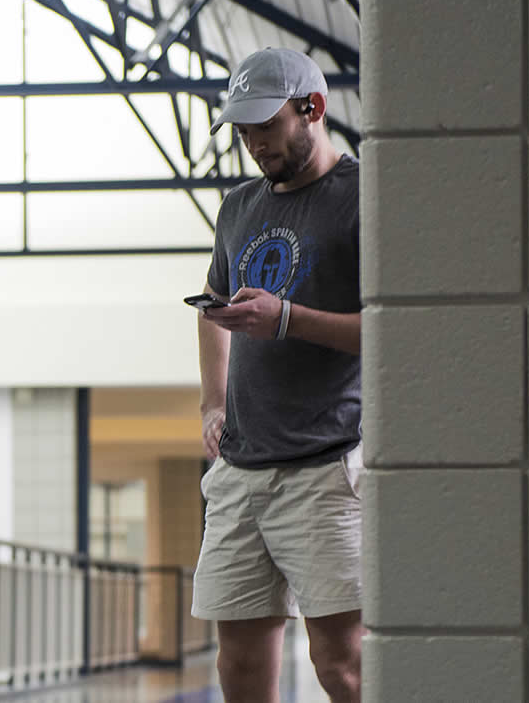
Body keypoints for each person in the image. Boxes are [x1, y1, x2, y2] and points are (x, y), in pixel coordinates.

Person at [193, 47, 363, 703]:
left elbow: (392, 331)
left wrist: (288, 318)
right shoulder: (238, 208)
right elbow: (210, 306)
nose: (252, 142)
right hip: (239, 468)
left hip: (324, 463)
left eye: (265, 125)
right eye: (242, 129)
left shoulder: (359, 198)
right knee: (235, 665)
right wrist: (214, 400)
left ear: (312, 109)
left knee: (340, 661)